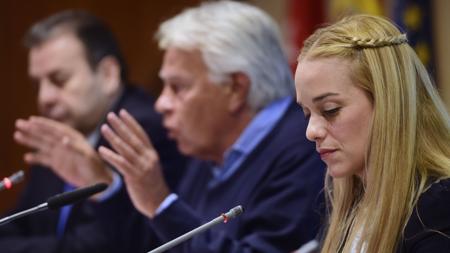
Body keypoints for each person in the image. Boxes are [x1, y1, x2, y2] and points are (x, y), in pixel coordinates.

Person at [98, 1, 325, 253]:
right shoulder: (210, 147)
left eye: (178, 87)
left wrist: (161, 204)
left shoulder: (307, 149)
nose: (161, 104)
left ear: (236, 89)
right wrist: (104, 185)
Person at [0, 10, 187, 253]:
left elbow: (99, 246)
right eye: (38, 85)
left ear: (108, 74)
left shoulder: (140, 130)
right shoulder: (62, 132)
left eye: (59, 79)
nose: (44, 98)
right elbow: (23, 221)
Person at [294, 14, 450, 253]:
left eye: (330, 110)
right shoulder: (344, 198)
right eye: (307, 113)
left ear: (388, 104)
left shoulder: (438, 208)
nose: (311, 132)